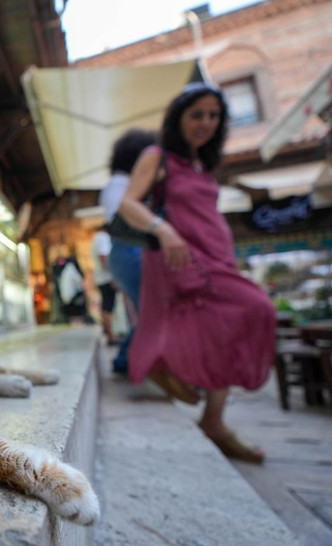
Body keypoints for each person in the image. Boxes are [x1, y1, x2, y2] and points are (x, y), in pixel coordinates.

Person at [118, 82, 276, 464]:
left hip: (217, 256)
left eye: (214, 115)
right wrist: (164, 229)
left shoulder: (202, 164)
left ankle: (213, 418)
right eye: (197, 114)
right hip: (183, 258)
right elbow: (128, 204)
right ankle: (197, 401)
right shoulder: (157, 156)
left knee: (223, 332)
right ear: (178, 118)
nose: (206, 122)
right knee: (257, 309)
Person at [100, 129, 157, 373]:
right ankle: (125, 361)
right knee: (150, 309)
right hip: (129, 251)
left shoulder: (121, 183)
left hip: (129, 252)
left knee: (148, 309)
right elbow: (123, 220)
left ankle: (127, 360)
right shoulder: (119, 184)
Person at [90, 228, 117, 345]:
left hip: (102, 278)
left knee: (107, 305)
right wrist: (112, 276)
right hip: (106, 278)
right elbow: (103, 257)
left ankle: (110, 334)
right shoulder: (102, 237)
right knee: (108, 306)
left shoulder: (97, 237)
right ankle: (111, 336)